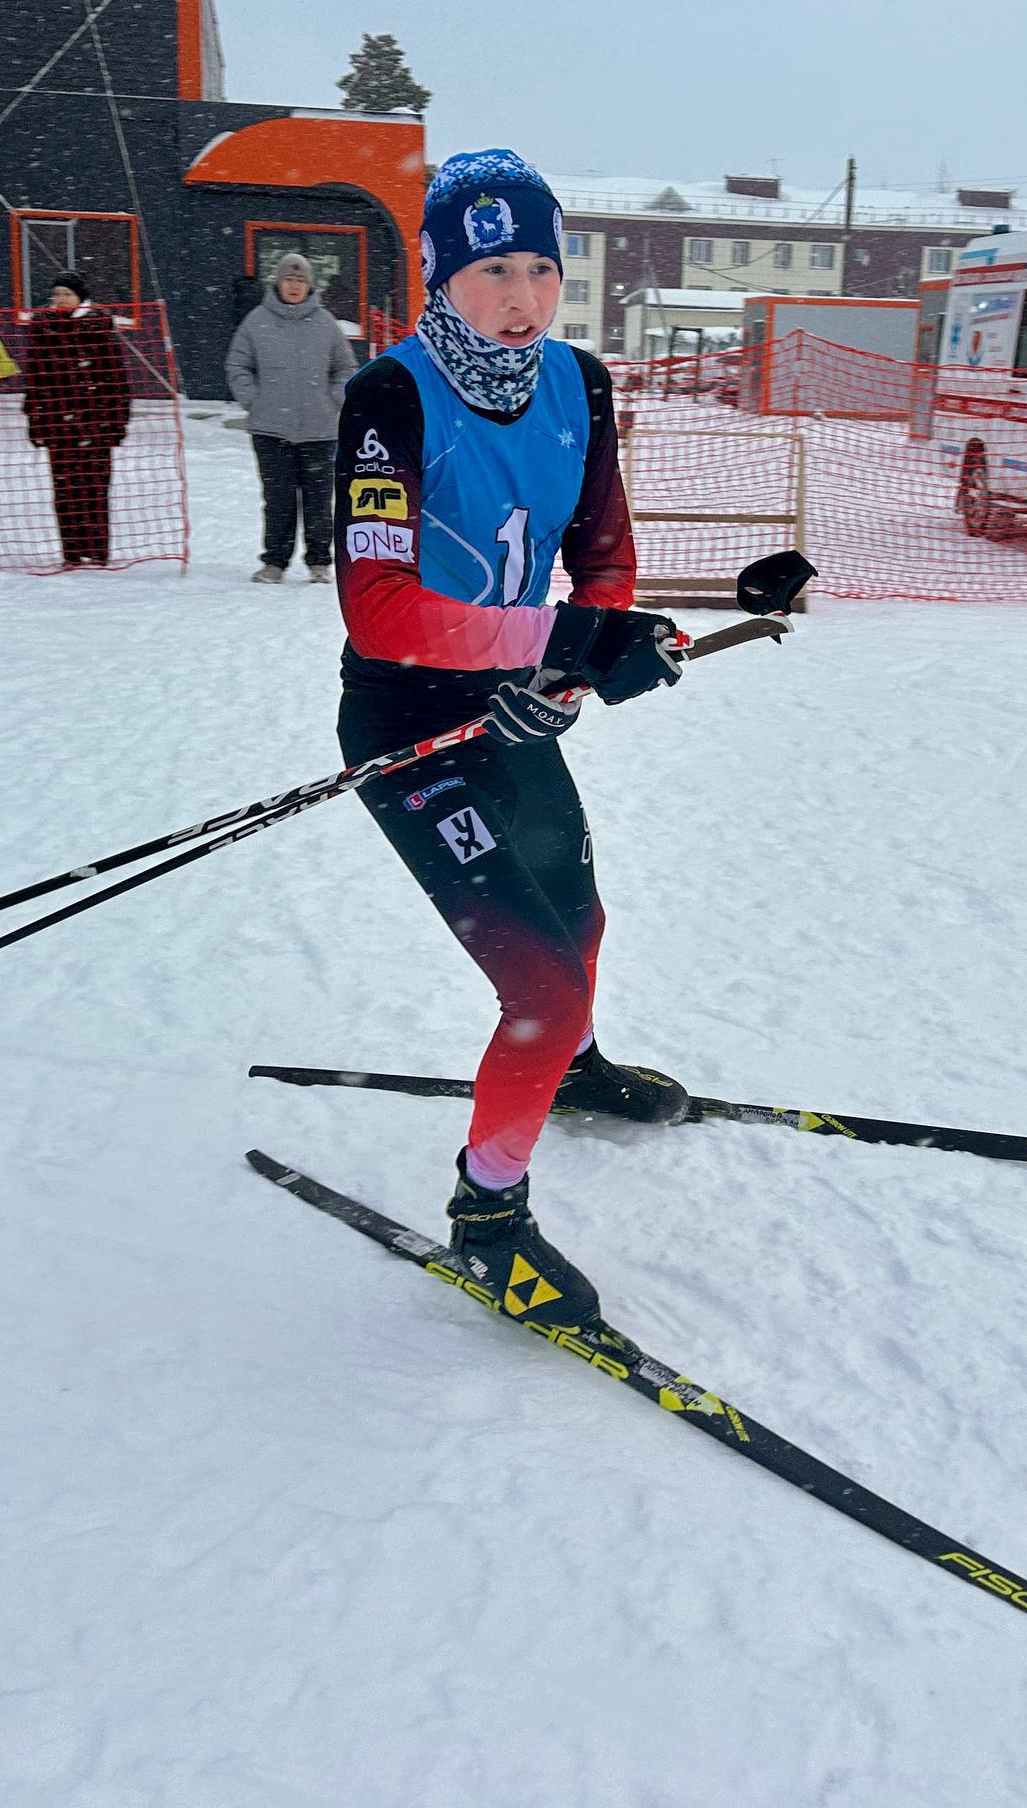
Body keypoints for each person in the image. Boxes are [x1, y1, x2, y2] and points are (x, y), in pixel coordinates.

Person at [334, 149, 692, 1330]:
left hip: (512, 706)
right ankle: (487, 1218)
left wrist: (576, 663)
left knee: (580, 924)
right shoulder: (390, 396)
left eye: (543, 265)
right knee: (537, 984)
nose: (523, 293)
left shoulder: (579, 384)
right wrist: (563, 640)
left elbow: (602, 554)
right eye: (494, 268)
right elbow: (378, 607)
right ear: (441, 275)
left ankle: (569, 1073)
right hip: (407, 726)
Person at [228, 250, 356, 583]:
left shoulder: (326, 324)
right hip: (270, 429)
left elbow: (346, 368)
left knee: (318, 501)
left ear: (309, 285)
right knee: (278, 500)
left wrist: (333, 400)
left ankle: (318, 562)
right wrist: (254, 400)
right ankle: (275, 561)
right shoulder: (256, 321)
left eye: (300, 280)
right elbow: (237, 365)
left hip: (320, 430)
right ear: (278, 283)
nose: (295, 286)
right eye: (289, 279)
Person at [22, 272, 131, 566]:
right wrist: (35, 419)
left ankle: (96, 551)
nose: (60, 299)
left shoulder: (100, 330)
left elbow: (117, 380)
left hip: (96, 422)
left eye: (66, 294)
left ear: (80, 298)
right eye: (56, 294)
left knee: (94, 487)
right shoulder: (42, 330)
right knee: (65, 489)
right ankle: (71, 550)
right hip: (58, 423)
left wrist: (118, 420)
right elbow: (33, 380)